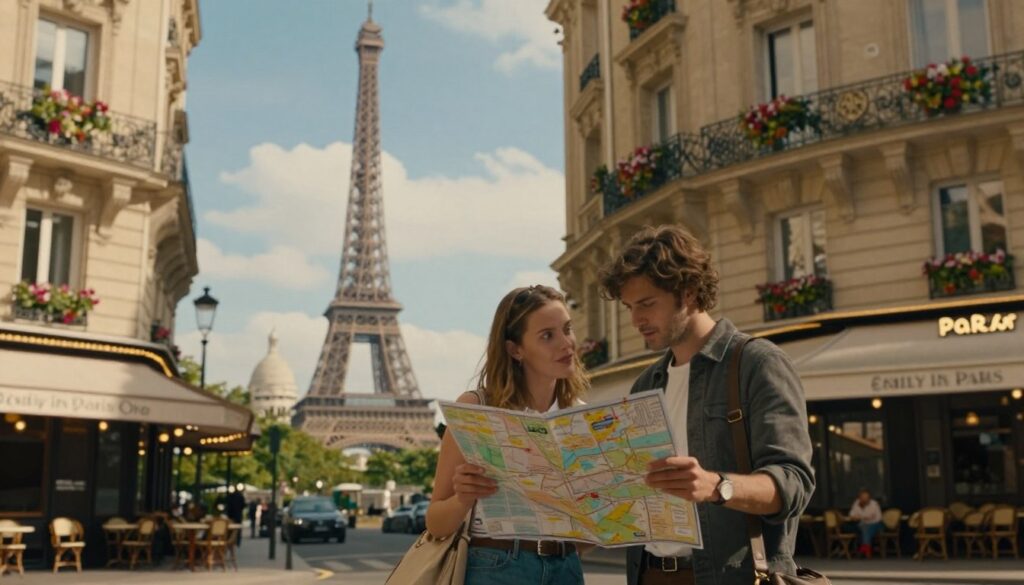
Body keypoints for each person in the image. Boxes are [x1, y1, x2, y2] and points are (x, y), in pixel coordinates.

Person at [598, 225, 815, 585]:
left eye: (647, 304)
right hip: (648, 574)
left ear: (689, 292)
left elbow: (794, 484)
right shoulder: (644, 385)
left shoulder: (757, 363)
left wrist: (716, 486)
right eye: (629, 307)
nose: (636, 320)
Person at [426, 285, 589, 585]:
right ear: (515, 349)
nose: (566, 343)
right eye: (547, 335)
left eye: (567, 329)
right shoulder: (476, 408)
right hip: (498, 566)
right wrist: (463, 498)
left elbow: (588, 538)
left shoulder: (581, 417)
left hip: (566, 567)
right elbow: (436, 522)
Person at [847, 488, 883, 558]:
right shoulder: (856, 503)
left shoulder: (874, 504)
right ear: (859, 498)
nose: (864, 499)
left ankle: (864, 552)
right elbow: (851, 515)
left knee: (865, 529)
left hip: (875, 524)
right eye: (862, 497)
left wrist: (865, 519)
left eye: (866, 498)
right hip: (861, 524)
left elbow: (878, 518)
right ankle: (865, 551)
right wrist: (860, 518)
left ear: (869, 498)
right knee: (860, 528)